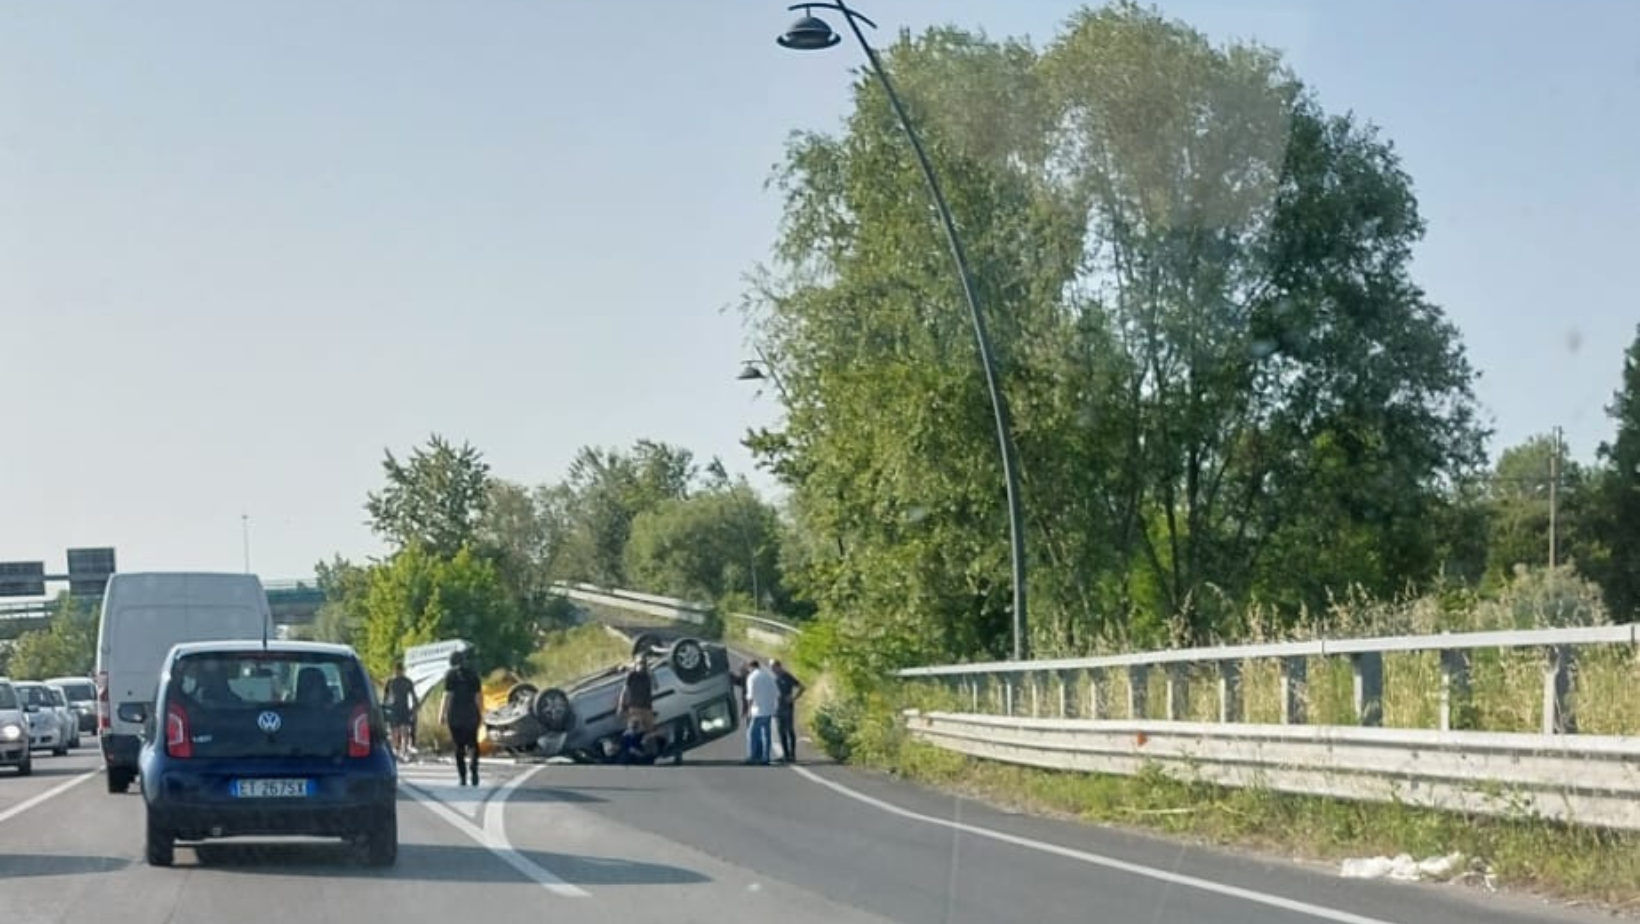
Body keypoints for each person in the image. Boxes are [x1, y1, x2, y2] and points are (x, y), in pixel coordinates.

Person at [439, 649, 483, 787]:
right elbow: (478, 697)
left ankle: (462, 776)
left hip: (455, 714)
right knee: (473, 744)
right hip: (471, 713)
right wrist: (480, 713)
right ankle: (474, 769)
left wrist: (442, 714)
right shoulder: (473, 675)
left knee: (459, 746)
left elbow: (447, 696)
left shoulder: (450, 675)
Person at [742, 659, 780, 766]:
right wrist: (774, 707)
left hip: (757, 710)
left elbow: (750, 695)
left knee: (752, 734)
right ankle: (766, 757)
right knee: (766, 734)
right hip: (768, 710)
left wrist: (749, 709)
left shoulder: (752, 677)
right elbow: (776, 693)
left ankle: (752, 757)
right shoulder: (769, 676)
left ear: (751, 667)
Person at [382, 660, 419, 762]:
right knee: (396, 731)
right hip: (396, 708)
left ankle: (402, 751)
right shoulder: (392, 682)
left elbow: (413, 696)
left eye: (400, 670)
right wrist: (385, 707)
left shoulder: (406, 682)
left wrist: (414, 708)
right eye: (398, 670)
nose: (398, 672)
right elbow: (386, 697)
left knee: (404, 731)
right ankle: (396, 751)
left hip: (402, 707)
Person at [616, 654, 656, 745]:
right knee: (633, 732)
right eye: (640, 663)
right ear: (635, 664)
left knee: (650, 733)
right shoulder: (631, 675)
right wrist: (620, 706)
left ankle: (650, 751)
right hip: (635, 708)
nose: (642, 665)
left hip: (647, 708)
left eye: (644, 663)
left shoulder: (647, 675)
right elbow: (624, 691)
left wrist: (651, 674)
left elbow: (656, 686)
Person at [771, 659, 806, 763]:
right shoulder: (775, 677)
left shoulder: (787, 676)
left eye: (774, 667)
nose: (772, 669)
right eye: (771, 668)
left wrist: (794, 698)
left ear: (779, 666)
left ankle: (792, 754)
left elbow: (802, 687)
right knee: (781, 731)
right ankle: (785, 755)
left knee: (789, 730)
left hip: (787, 707)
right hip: (778, 708)